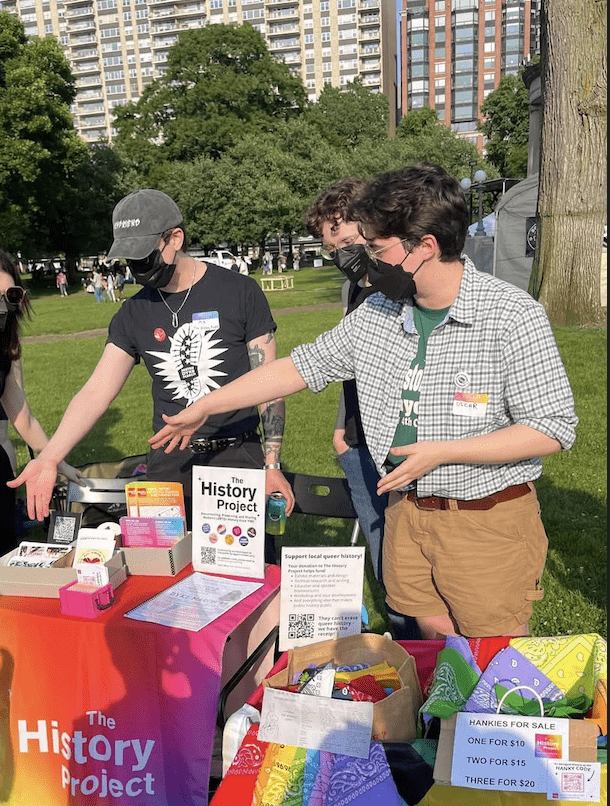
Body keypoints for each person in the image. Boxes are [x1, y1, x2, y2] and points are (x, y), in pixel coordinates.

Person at [145, 164, 578, 641]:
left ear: (425, 246)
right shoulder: (379, 311)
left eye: (377, 248)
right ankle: (442, 717)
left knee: (494, 649)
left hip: (483, 516)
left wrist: (444, 452)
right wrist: (208, 405)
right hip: (406, 507)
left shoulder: (512, 315)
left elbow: (552, 426)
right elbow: (300, 367)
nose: (367, 259)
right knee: (434, 633)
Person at [10, 189, 295, 536]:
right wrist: (51, 456)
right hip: (169, 463)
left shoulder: (240, 292)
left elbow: (268, 383)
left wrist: (272, 463)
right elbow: (97, 391)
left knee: (243, 576)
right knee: (163, 574)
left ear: (175, 238)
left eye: (144, 256)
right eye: (129, 260)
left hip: (237, 457)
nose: (137, 269)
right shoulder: (133, 313)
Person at [304, 178, 419, 640]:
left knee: (408, 549)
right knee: (379, 542)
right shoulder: (355, 289)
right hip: (356, 438)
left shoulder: (402, 288)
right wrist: (341, 427)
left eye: (349, 243)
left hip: (399, 442)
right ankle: (403, 643)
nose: (342, 257)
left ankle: (425, 645)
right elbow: (346, 361)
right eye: (333, 250)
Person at [0, 250, 82, 555]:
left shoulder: (5, 348)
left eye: (10, 295)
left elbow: (24, 418)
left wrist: (56, 460)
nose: (3, 306)